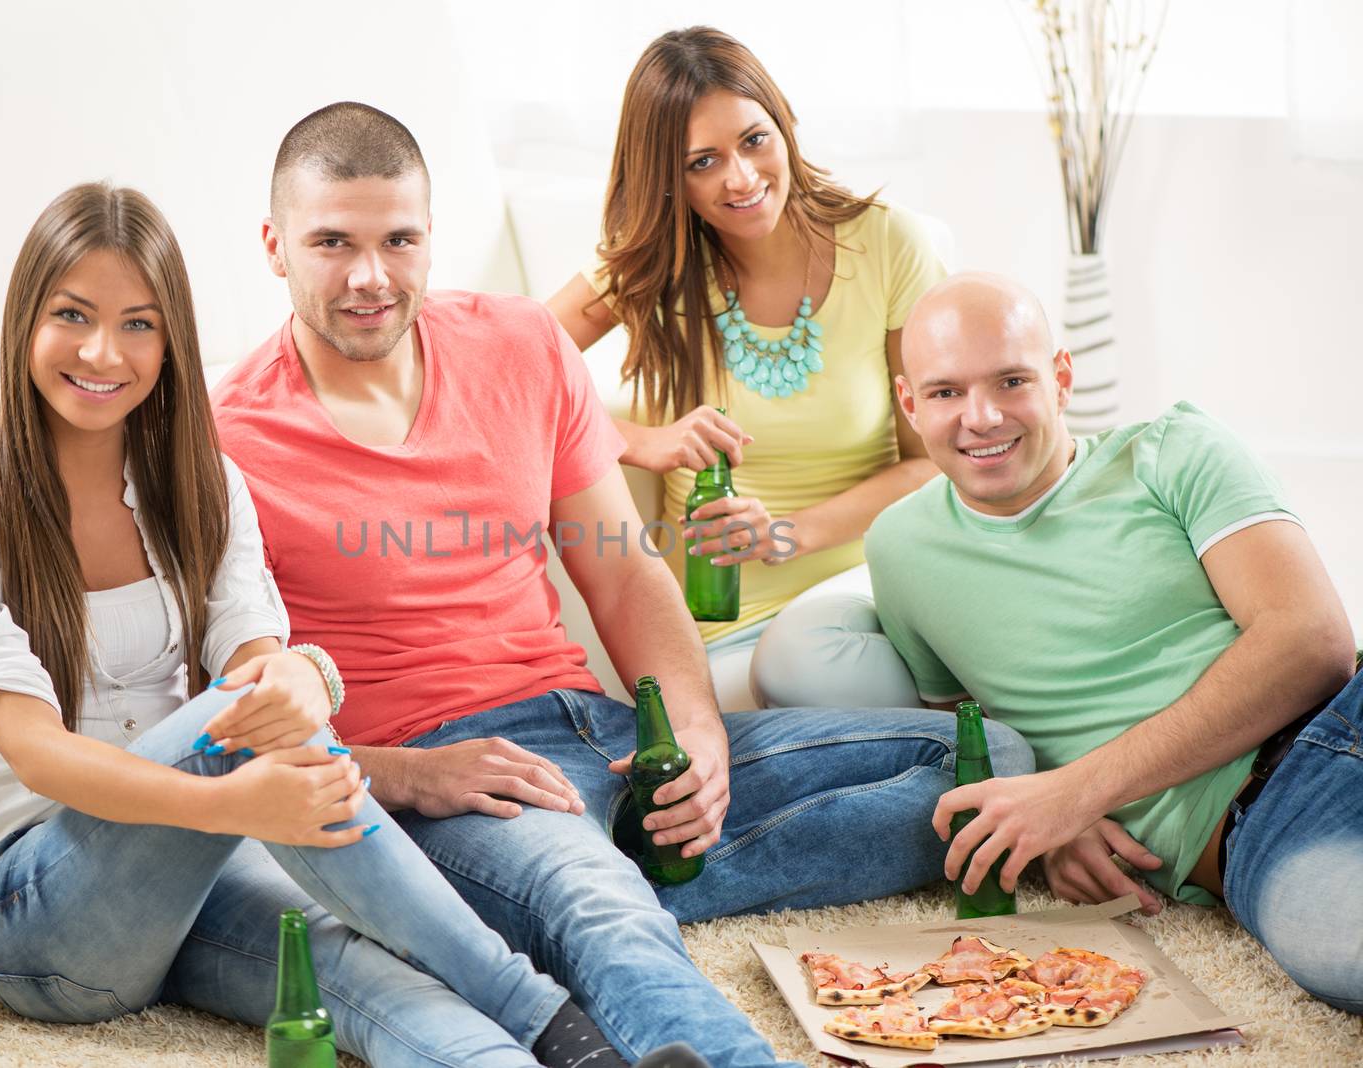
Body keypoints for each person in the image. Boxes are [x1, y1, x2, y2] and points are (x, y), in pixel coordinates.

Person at [211, 101, 1035, 1068]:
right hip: (444, 785)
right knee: (596, 902)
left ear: (431, 238)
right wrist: (408, 778)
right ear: (274, 247)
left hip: (595, 735)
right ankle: (605, 915)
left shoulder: (518, 345)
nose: (370, 277)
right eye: (331, 244)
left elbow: (624, 571)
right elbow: (227, 719)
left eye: (399, 240)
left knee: (990, 769)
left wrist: (692, 731)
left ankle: (607, 880)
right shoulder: (224, 436)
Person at [0, 181, 701, 1068]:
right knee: (231, 721)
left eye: (138, 324)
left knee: (373, 984)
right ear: (24, 323)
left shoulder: (199, 486)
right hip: (32, 913)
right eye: (72, 315)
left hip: (193, 875)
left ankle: (581, 1059)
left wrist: (298, 680)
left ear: (170, 341)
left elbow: (257, 656)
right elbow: (34, 751)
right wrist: (229, 799)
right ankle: (544, 1015)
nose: (101, 351)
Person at [864, 271, 1361, 1013]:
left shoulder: (1175, 451)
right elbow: (970, 742)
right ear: (909, 403)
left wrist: (1075, 792)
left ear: (1061, 379)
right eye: (944, 393)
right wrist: (1056, 829)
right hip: (1253, 832)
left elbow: (1313, 641)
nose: (981, 416)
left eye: (1011, 380)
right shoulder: (899, 550)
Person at [546, 27, 945, 712]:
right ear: (667, 178)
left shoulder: (887, 242)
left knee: (803, 667)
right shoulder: (650, 268)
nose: (741, 177)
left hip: (869, 593)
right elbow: (502, 365)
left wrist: (787, 533)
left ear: (783, 124)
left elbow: (932, 462)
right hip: (717, 629)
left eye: (754, 140)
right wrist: (641, 441)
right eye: (702, 161)